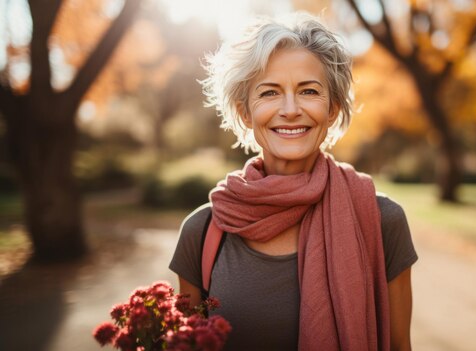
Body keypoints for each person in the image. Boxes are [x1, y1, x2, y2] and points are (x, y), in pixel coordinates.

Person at [169, 13, 417, 351]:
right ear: (245, 112)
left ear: (332, 109)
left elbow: (400, 346)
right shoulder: (202, 232)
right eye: (269, 93)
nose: (290, 109)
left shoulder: (382, 220)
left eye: (309, 91)